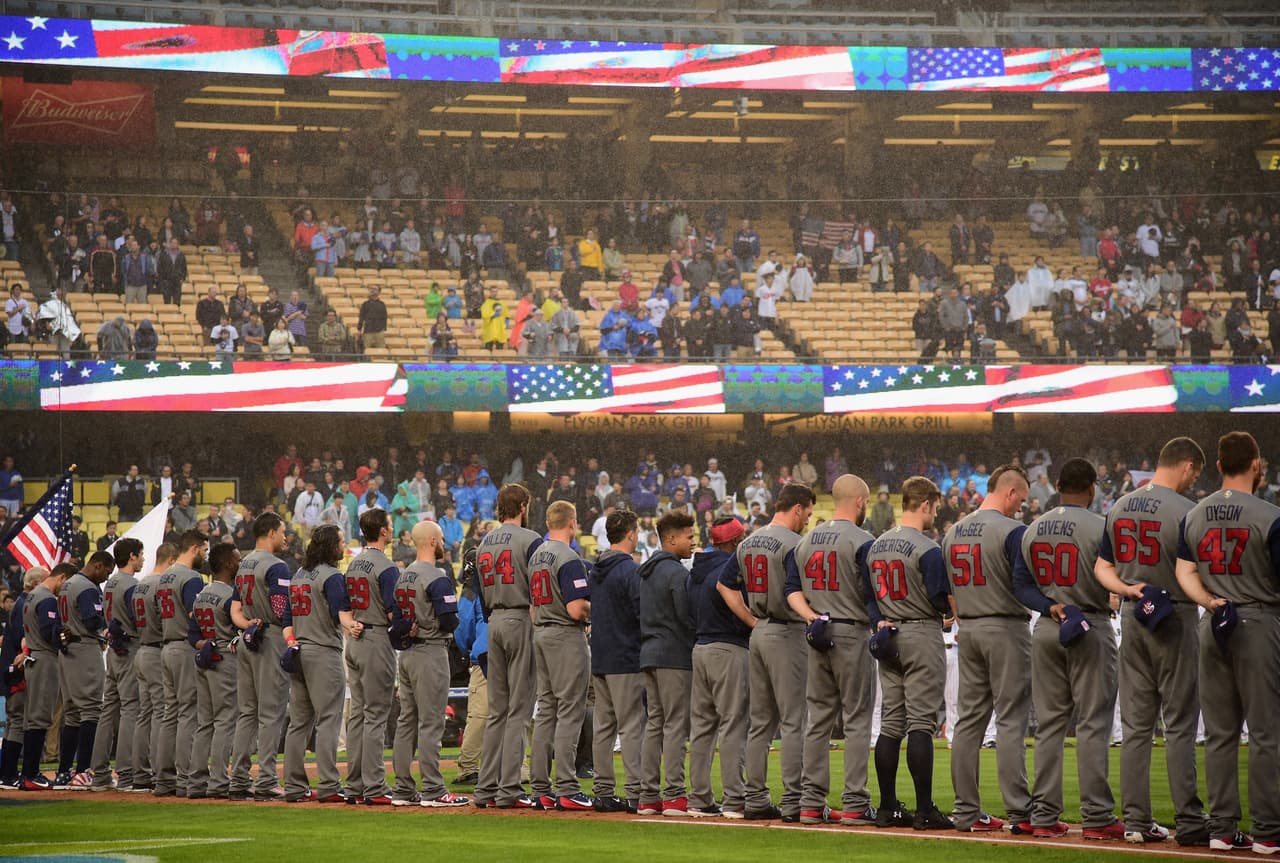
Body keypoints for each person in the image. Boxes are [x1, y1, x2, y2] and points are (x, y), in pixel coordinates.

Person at [1092, 437, 1210, 846]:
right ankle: (1190, 821)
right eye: (1195, 471)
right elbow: (1195, 574)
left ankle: (1137, 822)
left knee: (1137, 727)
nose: (1195, 478)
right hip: (1175, 614)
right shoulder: (1188, 510)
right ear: (1187, 465)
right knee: (1178, 725)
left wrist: (1128, 590)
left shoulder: (1120, 504)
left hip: (1132, 612)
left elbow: (1102, 569)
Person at [1175, 432, 1280, 854]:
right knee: (1266, 732)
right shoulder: (1270, 515)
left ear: (1218, 466)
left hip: (1213, 619)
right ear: (1257, 465)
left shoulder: (1195, 514)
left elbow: (1185, 574)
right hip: (1259, 619)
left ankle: (1221, 827)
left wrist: (1210, 601)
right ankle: (1269, 830)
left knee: (1219, 733)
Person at [1011, 458, 1126, 840]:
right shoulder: (1101, 525)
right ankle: (1096, 816)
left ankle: (1043, 815)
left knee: (1049, 725)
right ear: (1092, 487)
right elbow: (1118, 578)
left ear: (1057, 484)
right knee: (1093, 723)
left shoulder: (1033, 528)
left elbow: (1021, 587)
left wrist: (1050, 606)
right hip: (1090, 624)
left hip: (1046, 626)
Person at [942, 465, 1059, 834]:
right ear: (1010, 492)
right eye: (1021, 500)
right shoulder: (1013, 531)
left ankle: (966, 811)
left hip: (969, 627)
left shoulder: (952, 532)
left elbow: (949, 593)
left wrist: (964, 621)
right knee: (1010, 720)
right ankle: (1020, 811)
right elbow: (1024, 584)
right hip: (1006, 626)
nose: (1020, 507)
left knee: (968, 722)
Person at [715, 483, 816, 821]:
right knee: (793, 721)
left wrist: (750, 620)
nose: (808, 519)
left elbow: (724, 585)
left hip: (759, 633)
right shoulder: (795, 544)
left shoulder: (747, 542)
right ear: (798, 508)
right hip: (787, 632)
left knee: (760, 724)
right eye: (808, 512)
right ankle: (794, 800)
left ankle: (755, 798)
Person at [783, 474, 878, 825]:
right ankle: (854, 803)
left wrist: (811, 617)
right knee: (855, 720)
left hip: (817, 631)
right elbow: (873, 595)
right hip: (851, 631)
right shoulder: (863, 539)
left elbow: (791, 590)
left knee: (818, 720)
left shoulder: (805, 541)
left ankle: (810, 802)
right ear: (860, 502)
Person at [862, 477, 954, 831]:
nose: (936, 513)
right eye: (935, 506)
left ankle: (886, 807)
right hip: (919, 630)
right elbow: (937, 598)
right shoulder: (927, 547)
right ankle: (924, 808)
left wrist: (879, 620)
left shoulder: (877, 544)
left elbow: (868, 595)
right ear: (927, 504)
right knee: (920, 724)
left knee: (890, 724)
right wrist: (949, 609)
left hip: (888, 634)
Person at [473, 484, 543, 810]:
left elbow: (477, 590)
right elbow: (539, 589)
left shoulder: (483, 542)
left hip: (493, 622)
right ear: (523, 505)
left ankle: (486, 787)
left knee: (497, 711)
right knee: (519, 710)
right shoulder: (531, 540)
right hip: (520, 617)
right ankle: (510, 788)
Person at [388, 521, 468, 807]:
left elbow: (396, 624)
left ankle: (402, 789)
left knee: (406, 721)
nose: (444, 543)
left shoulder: (403, 576)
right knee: (432, 722)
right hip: (431, 651)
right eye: (443, 538)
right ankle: (434, 790)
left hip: (407, 654)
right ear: (433, 541)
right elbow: (449, 620)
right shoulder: (438, 576)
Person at [281, 525, 358, 803]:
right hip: (323, 651)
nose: (343, 545)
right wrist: (355, 626)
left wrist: (291, 641)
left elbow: (286, 618)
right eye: (339, 541)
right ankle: (328, 784)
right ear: (329, 545)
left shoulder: (299, 575)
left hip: (298, 650)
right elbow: (342, 613)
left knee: (299, 723)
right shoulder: (333, 576)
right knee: (328, 720)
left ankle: (293, 786)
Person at [526, 501, 594, 811]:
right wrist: (597, 609)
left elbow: (531, 607)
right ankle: (567, 785)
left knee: (547, 710)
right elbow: (575, 609)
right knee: (570, 710)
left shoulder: (536, 555)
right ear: (573, 522)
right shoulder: (568, 557)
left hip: (540, 631)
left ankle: (541, 787)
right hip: (565, 635)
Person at [635, 509, 697, 817]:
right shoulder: (677, 573)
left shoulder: (645, 571)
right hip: (673, 655)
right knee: (675, 725)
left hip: (648, 653)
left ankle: (649, 796)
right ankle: (674, 795)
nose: (693, 541)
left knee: (655, 724)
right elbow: (686, 618)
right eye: (688, 536)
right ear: (670, 539)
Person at [228, 512, 293, 801]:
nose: (284, 536)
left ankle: (239, 778)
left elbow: (235, 609)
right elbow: (282, 609)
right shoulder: (277, 566)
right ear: (270, 532)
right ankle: (267, 779)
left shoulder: (243, 565)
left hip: (248, 638)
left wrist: (248, 626)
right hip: (271, 639)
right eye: (281, 531)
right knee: (270, 714)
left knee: (247, 713)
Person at [343, 508, 402, 806]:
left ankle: (354, 784)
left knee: (358, 715)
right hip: (377, 636)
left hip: (354, 638)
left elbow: (341, 606)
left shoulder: (353, 564)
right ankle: (375, 785)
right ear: (382, 531)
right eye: (389, 526)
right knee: (376, 715)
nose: (391, 530)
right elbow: (395, 612)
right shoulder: (387, 566)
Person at [589, 510, 644, 813]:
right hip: (625, 655)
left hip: (600, 655)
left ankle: (603, 791)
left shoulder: (595, 567)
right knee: (632, 726)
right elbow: (641, 614)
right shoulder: (629, 570)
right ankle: (636, 792)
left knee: (604, 728)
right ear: (631, 534)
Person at [152, 531, 206, 798]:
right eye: (204, 550)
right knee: (188, 713)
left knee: (169, 713)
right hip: (184, 646)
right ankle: (185, 778)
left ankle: (163, 779)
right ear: (194, 548)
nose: (206, 555)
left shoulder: (165, 576)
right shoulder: (191, 578)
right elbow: (197, 615)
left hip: (165, 645)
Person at [88, 539, 145, 792]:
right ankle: (126, 774)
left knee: (109, 709)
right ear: (132, 556)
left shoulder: (109, 583)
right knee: (131, 708)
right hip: (129, 647)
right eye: (141, 555)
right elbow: (138, 619)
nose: (142, 559)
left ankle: (99, 774)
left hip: (113, 650)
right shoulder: (131, 584)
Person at [54, 551, 113, 788]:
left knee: (72, 713)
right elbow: (92, 620)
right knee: (91, 710)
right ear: (97, 565)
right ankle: (84, 770)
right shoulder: (87, 587)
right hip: (85, 646)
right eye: (106, 571)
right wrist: (109, 628)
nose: (106, 576)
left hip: (68, 649)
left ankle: (64, 771)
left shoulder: (67, 584)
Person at [186, 543, 240, 800]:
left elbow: (192, 634)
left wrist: (204, 646)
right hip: (224, 657)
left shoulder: (202, 595)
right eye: (238, 559)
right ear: (229, 563)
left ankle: (196, 781)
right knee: (225, 720)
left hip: (204, 656)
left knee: (204, 722)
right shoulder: (231, 596)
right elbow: (240, 631)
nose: (240, 563)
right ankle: (219, 780)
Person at [17, 564, 71, 789]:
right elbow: (50, 632)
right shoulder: (47, 598)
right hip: (45, 658)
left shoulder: (31, 596)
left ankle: (28, 773)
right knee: (40, 718)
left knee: (33, 718)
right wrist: (65, 638)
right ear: (62, 577)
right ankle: (30, 774)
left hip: (33, 657)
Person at [129, 544, 175, 794]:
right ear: (171, 560)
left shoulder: (141, 584)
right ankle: (161, 773)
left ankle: (140, 774)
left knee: (144, 713)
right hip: (158, 649)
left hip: (141, 649)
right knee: (162, 712)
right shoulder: (162, 584)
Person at [452, 548, 488, 786]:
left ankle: (468, 766)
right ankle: (518, 768)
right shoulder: (506, 584)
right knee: (512, 714)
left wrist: (468, 651)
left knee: (479, 714)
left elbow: (462, 628)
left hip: (483, 655)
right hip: (512, 653)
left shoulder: (470, 590)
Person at [156, 238, 187, 306]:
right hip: (166, 281)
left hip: (177, 282)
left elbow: (184, 268)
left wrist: (183, 278)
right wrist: (162, 280)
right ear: (169, 244)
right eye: (172, 243)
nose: (173, 245)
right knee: (167, 301)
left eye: (175, 243)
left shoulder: (181, 255)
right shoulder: (163, 255)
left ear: (178, 245)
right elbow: (160, 268)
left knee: (177, 301)